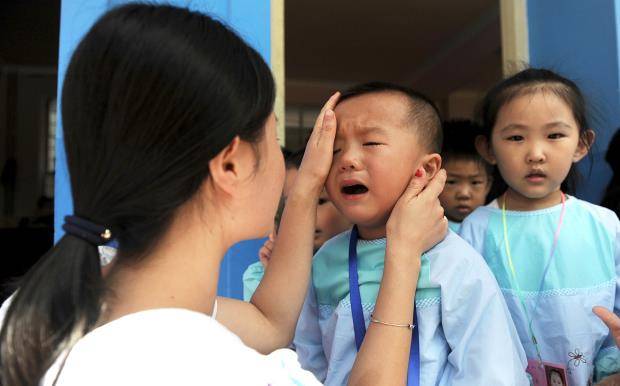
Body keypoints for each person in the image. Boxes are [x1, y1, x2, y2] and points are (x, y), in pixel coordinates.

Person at [0, 4, 447, 386]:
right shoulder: (219, 369)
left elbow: (269, 324)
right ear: (231, 165)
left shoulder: (48, 303)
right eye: (273, 140)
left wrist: (308, 185)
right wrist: (403, 254)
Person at [293, 82, 528, 386]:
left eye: (371, 143)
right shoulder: (326, 260)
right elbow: (308, 358)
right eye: (335, 149)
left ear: (427, 169)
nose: (347, 159)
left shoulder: (454, 261)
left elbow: (490, 369)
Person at [460, 68, 620, 385]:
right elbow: (466, 323)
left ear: (582, 144)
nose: (535, 154)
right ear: (488, 148)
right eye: (516, 137)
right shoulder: (475, 229)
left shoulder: (603, 224)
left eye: (555, 135)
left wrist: (611, 373)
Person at [243, 149, 351, 301]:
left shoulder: (368, 269)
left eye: (320, 201)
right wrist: (278, 277)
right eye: (291, 204)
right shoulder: (259, 276)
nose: (304, 214)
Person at [438, 120, 492, 233]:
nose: (464, 194)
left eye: (475, 182)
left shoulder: (494, 227)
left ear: (488, 185)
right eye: (452, 182)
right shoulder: (429, 230)